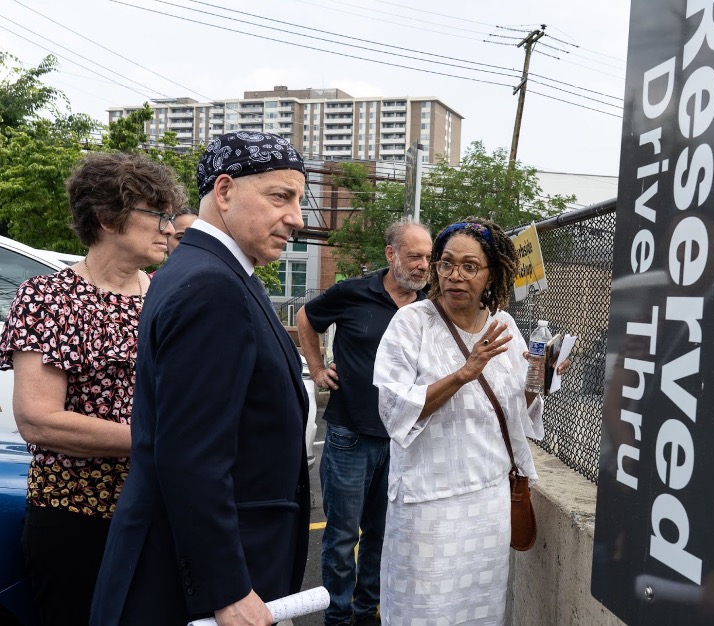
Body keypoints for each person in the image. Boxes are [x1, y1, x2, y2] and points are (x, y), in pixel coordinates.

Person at [91, 131, 311, 626]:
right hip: (195, 585)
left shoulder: (213, 273)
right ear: (226, 191)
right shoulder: (211, 286)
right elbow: (191, 454)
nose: (296, 217)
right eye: (281, 196)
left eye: (298, 199)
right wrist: (228, 588)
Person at [0, 151, 184, 626]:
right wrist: (161, 442)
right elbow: (38, 420)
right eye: (156, 215)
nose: (169, 227)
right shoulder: (49, 297)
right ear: (106, 217)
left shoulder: (172, 296)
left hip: (164, 509)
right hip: (76, 515)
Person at [373, 217, 557, 625]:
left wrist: (538, 380)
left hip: (487, 503)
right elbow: (394, 411)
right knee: (424, 611)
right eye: (447, 264)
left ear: (492, 273)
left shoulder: (503, 326)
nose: (456, 276)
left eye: (470, 266)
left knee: (481, 613)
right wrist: (463, 373)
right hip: (429, 506)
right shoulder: (411, 324)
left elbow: (514, 410)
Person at [296, 218, 432, 626]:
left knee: (382, 533)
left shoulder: (432, 307)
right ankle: (337, 617)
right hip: (350, 435)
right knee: (341, 536)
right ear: (391, 255)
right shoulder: (353, 293)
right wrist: (318, 368)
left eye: (428, 257)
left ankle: (366, 611)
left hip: (404, 440)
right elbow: (305, 318)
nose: (424, 265)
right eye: (415, 256)